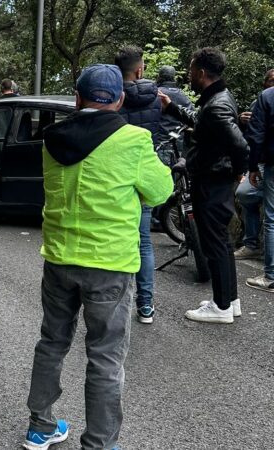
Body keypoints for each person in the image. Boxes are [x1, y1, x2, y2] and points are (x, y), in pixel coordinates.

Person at [23, 64, 172, 450]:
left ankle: (40, 426)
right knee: (105, 357)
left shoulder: (51, 140)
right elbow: (159, 191)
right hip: (109, 265)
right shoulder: (133, 139)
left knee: (52, 343)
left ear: (77, 97)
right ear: (120, 99)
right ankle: (100, 444)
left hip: (58, 259)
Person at [159, 47, 249, 323]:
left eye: (190, 69)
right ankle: (230, 300)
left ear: (201, 72)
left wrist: (237, 172)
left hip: (212, 181)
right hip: (214, 179)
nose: (188, 74)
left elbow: (240, 146)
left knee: (214, 243)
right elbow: (202, 123)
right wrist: (172, 108)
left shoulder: (218, 105)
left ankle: (220, 307)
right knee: (220, 242)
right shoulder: (217, 98)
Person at [114, 45, 163, 324]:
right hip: (143, 175)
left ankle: (114, 302)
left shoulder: (112, 97)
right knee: (144, 243)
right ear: (140, 69)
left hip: (116, 176)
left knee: (116, 239)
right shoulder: (156, 97)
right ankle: (145, 306)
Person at [234, 69, 274, 260]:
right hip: (262, 163)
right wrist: (242, 121)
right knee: (244, 194)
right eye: (271, 81)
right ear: (264, 83)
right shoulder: (259, 101)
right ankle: (251, 244)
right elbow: (251, 138)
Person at [244, 72, 274, 292]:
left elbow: (256, 135)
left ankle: (271, 276)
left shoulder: (268, 97)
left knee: (272, 219)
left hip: (272, 162)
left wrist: (252, 165)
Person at [155, 65, 194, 165]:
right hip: (177, 146)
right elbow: (192, 119)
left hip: (159, 144)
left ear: (160, 76)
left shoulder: (157, 94)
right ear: (173, 77)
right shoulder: (183, 96)